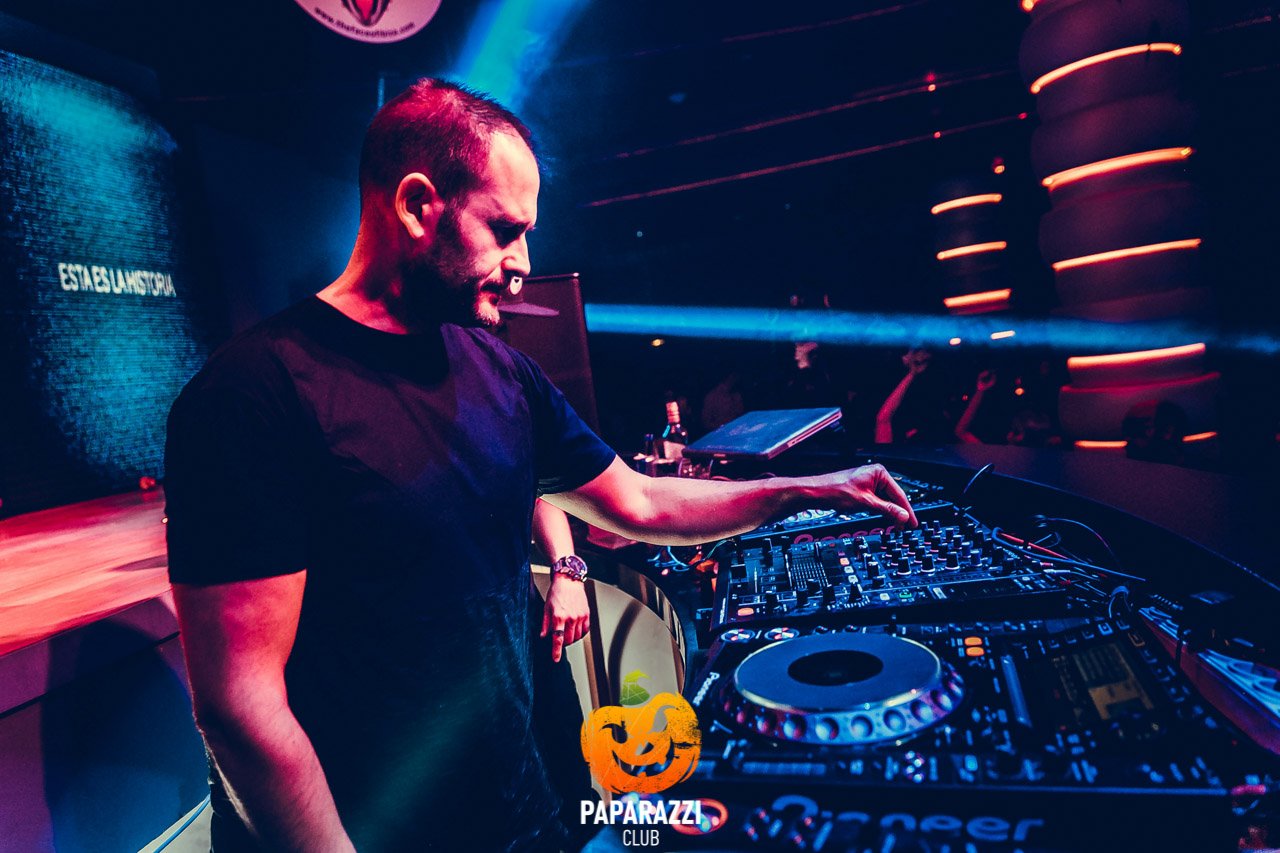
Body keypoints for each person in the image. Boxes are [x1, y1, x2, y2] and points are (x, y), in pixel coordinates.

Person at [164, 78, 918, 853]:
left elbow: (641, 503)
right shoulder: (252, 394)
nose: (524, 262)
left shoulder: (500, 370)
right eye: (505, 229)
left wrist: (804, 489)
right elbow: (240, 706)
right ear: (418, 205)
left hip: (516, 811)